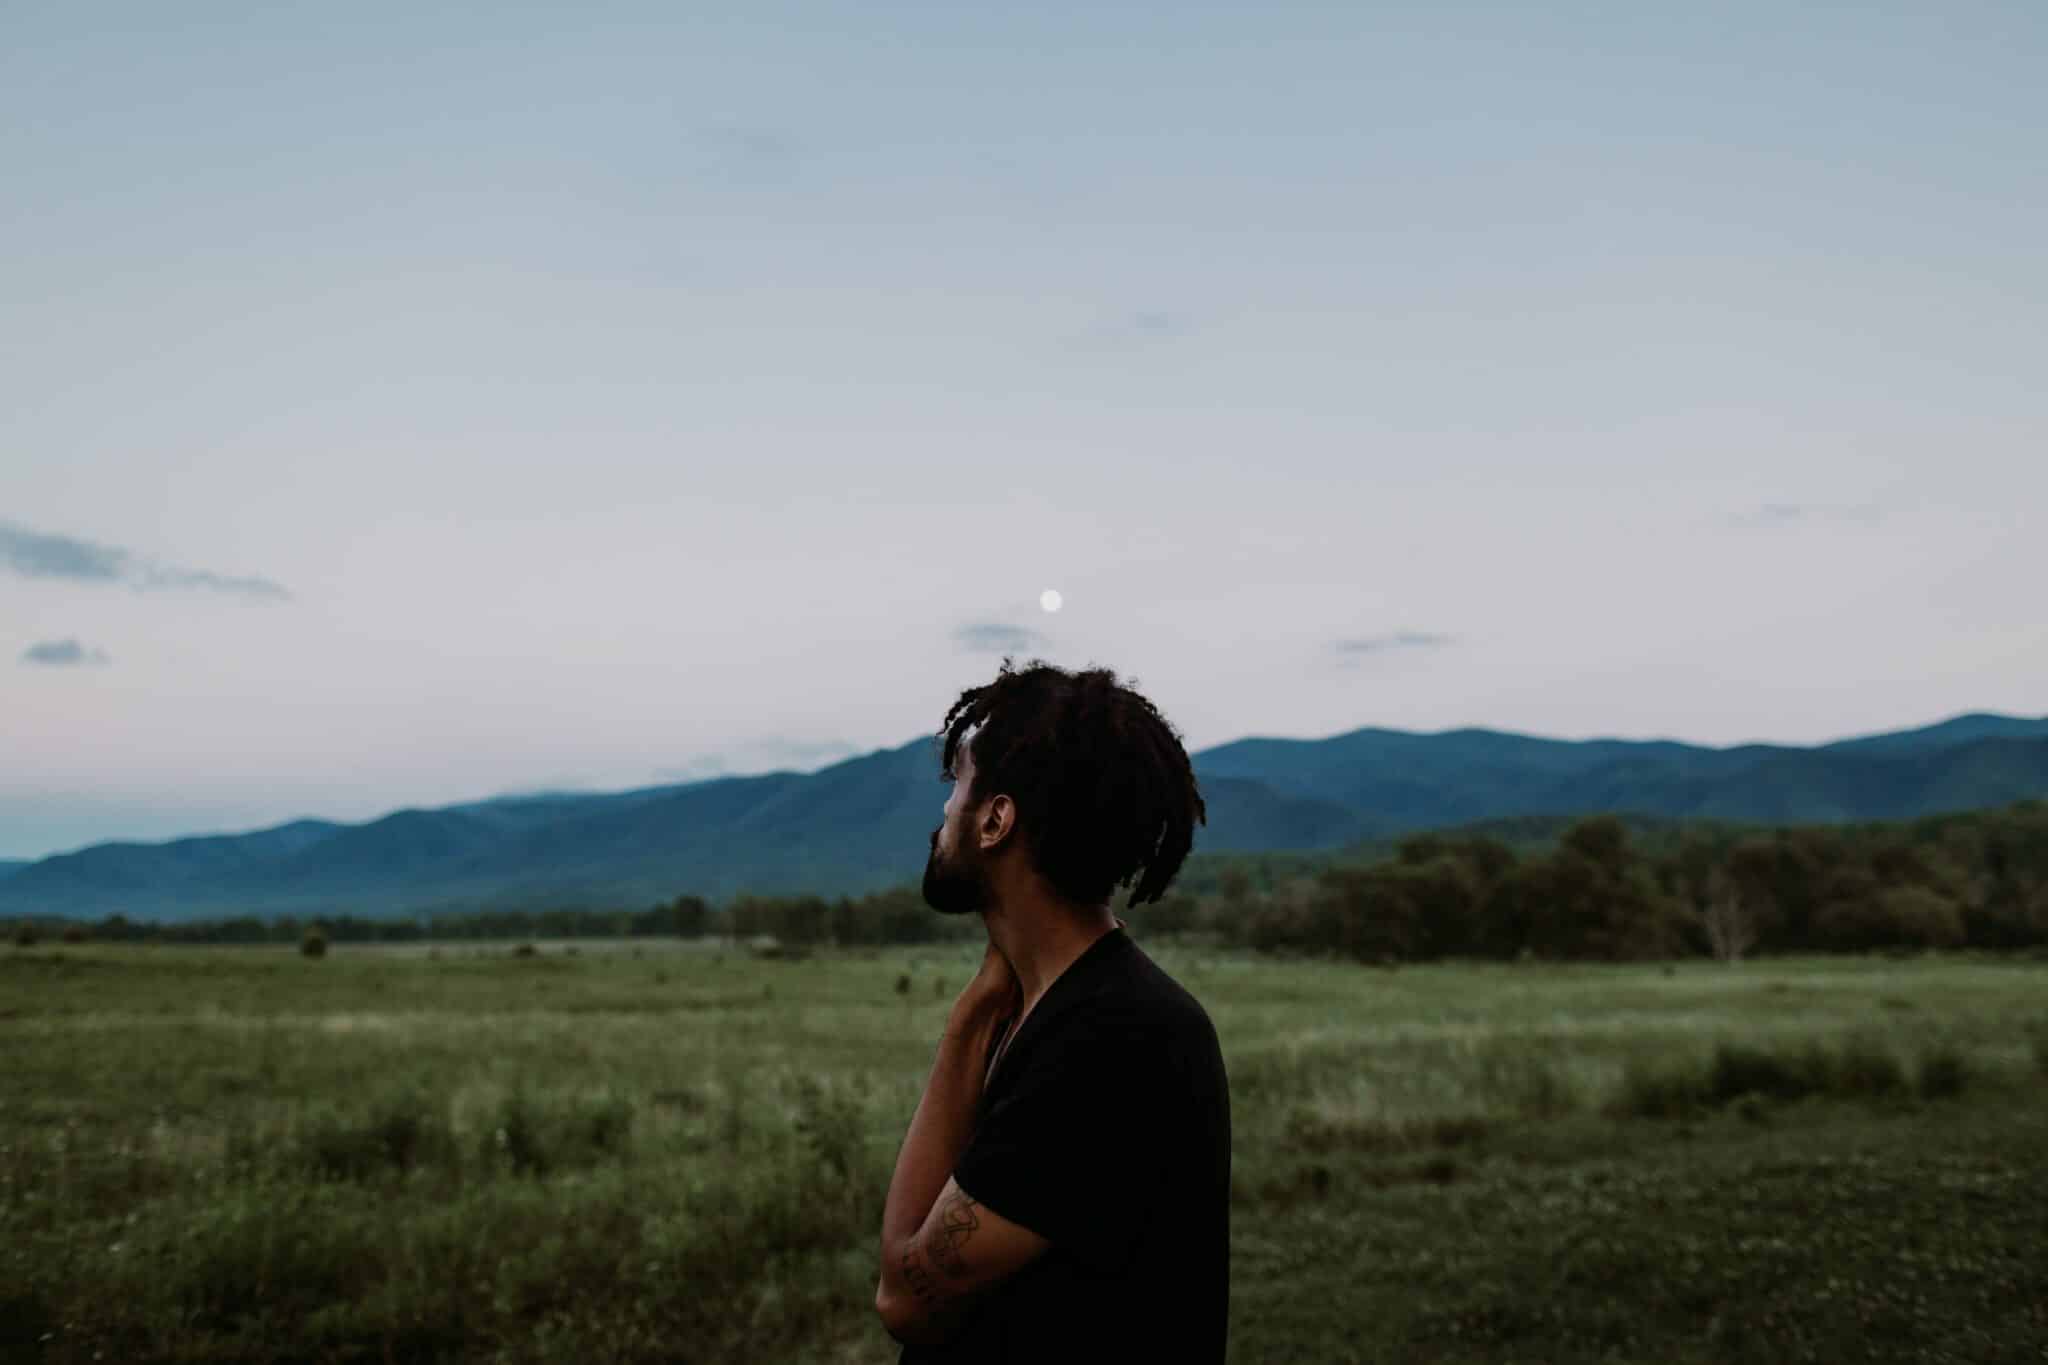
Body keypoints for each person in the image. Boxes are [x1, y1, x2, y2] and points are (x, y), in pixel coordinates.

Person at [874, 657, 1232, 1362]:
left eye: (958, 787)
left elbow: (905, 1295)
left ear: (996, 819)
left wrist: (967, 1021)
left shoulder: (1115, 1039)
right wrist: (983, 1011)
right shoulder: (1056, 1009)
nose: (944, 812)